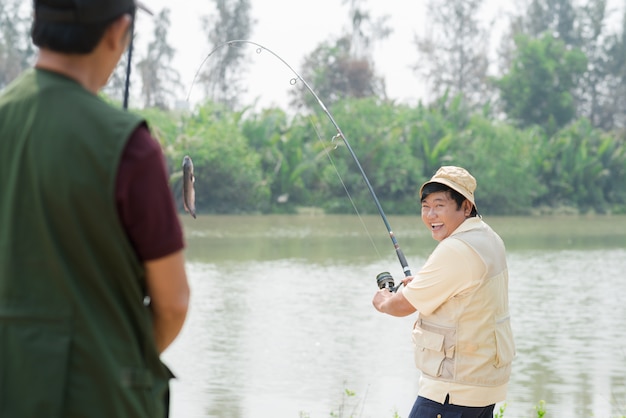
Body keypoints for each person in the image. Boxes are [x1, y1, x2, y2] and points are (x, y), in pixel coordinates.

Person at [0, 1, 190, 417]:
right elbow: (173, 303)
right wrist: (112, 358)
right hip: (100, 397)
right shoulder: (131, 148)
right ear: (116, 31)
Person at [372, 166, 515, 418]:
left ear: (466, 207)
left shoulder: (455, 250)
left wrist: (383, 300)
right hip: (482, 388)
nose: (430, 214)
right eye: (425, 206)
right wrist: (426, 285)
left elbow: (400, 306)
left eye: (440, 205)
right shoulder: (489, 238)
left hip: (451, 392)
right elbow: (469, 292)